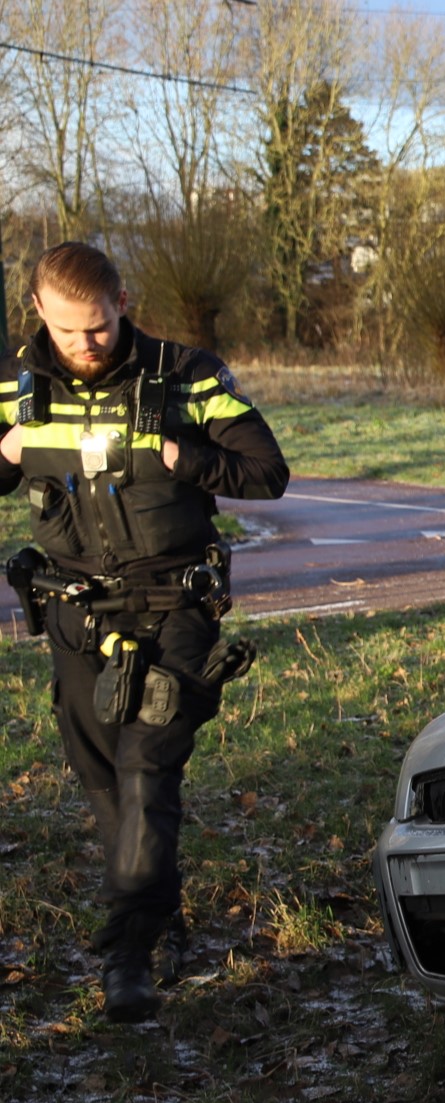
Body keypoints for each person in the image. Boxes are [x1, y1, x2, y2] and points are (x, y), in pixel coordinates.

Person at [0, 242, 288, 1022]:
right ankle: (160, 910)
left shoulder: (186, 375)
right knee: (107, 789)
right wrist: (5, 452)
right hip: (75, 616)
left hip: (176, 608)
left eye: (95, 329)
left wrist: (181, 454)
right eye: (66, 333)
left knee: (146, 768)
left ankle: (125, 954)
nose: (84, 347)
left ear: (122, 302)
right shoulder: (16, 389)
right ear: (38, 314)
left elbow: (267, 471)